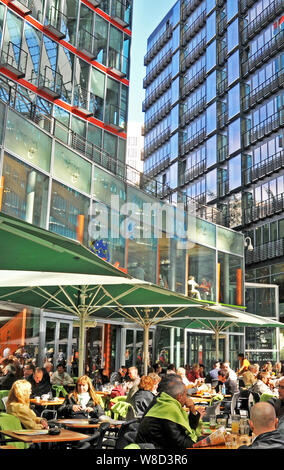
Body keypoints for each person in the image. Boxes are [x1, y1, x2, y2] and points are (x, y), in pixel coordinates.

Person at [135, 379, 206, 449]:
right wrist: (204, 441)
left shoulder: (163, 402)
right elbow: (182, 443)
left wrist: (192, 409)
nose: (187, 398)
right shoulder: (169, 410)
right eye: (186, 395)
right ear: (180, 396)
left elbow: (189, 428)